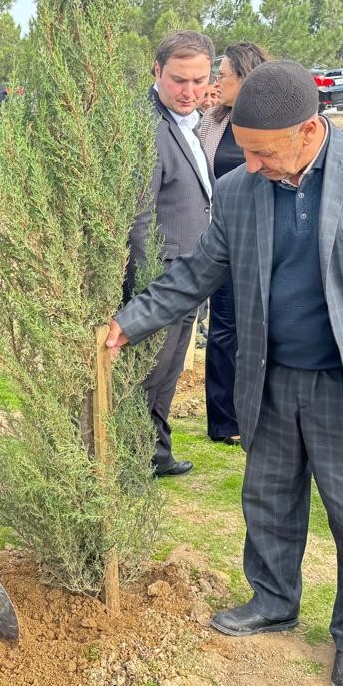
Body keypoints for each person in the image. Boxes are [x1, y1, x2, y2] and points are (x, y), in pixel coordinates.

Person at [108, 60, 343, 686]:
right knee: (267, 501)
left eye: (264, 152)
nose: (253, 165)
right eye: (245, 151)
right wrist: (128, 323)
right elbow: (195, 275)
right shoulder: (240, 191)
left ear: (310, 132)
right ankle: (272, 598)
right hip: (270, 378)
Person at [130, 30, 216, 477]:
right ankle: (132, 461)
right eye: (179, 80)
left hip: (189, 276)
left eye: (200, 81)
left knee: (168, 374)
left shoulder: (187, 124)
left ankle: (156, 454)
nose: (190, 92)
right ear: (157, 71)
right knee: (149, 376)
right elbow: (140, 217)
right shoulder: (148, 127)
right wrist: (148, 289)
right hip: (162, 280)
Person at [198, 41, 271, 446]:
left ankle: (263, 412)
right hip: (225, 237)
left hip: (268, 239)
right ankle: (225, 421)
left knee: (262, 328)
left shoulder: (273, 119)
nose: (215, 82)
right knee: (224, 328)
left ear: (243, 75)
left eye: (222, 74)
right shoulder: (212, 120)